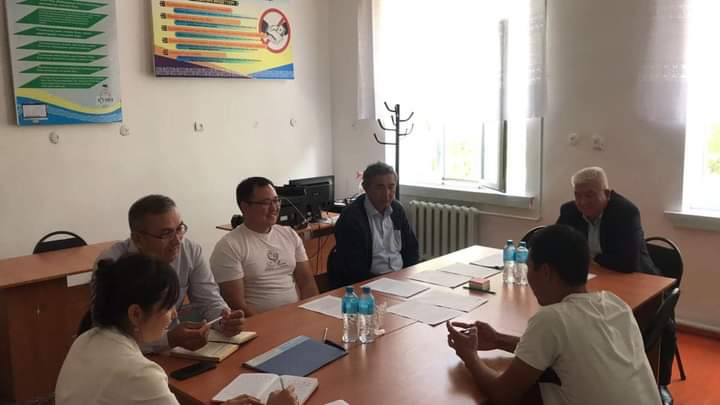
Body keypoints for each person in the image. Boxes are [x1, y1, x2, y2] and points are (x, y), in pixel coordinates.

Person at [446, 225, 662, 405]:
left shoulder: (552, 319)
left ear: (546, 272)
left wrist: (469, 356)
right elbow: (561, 347)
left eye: (529, 268)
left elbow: (502, 394)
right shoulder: (615, 304)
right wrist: (498, 339)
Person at [56, 254, 297, 405]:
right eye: (168, 306)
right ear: (135, 314)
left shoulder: (86, 340)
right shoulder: (139, 374)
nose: (173, 315)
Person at [96, 195, 244, 352]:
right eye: (166, 234)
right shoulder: (113, 264)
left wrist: (224, 321)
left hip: (174, 349)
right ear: (138, 238)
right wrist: (168, 339)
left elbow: (209, 299)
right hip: (128, 353)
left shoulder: (190, 250)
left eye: (179, 229)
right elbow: (108, 336)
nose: (177, 241)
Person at [210, 177, 318, 316]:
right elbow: (237, 305)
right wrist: (268, 324)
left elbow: (307, 283)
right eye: (266, 203)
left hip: (296, 316)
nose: (274, 208)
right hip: (258, 322)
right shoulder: (229, 246)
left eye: (276, 201)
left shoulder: (289, 234)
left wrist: (311, 315)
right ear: (245, 207)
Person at [556, 166, 658, 275]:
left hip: (637, 277)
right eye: (577, 196)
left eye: (589, 195)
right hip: (594, 274)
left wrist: (591, 257)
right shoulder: (569, 211)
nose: (582, 202)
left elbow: (627, 263)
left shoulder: (625, 213)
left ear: (607, 194)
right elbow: (555, 245)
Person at [331, 162, 419, 286]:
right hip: (369, 283)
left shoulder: (397, 210)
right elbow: (354, 268)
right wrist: (384, 283)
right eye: (379, 187)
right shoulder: (352, 217)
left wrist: (408, 276)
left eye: (391, 187)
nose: (386, 193)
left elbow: (411, 249)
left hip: (401, 278)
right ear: (366, 188)